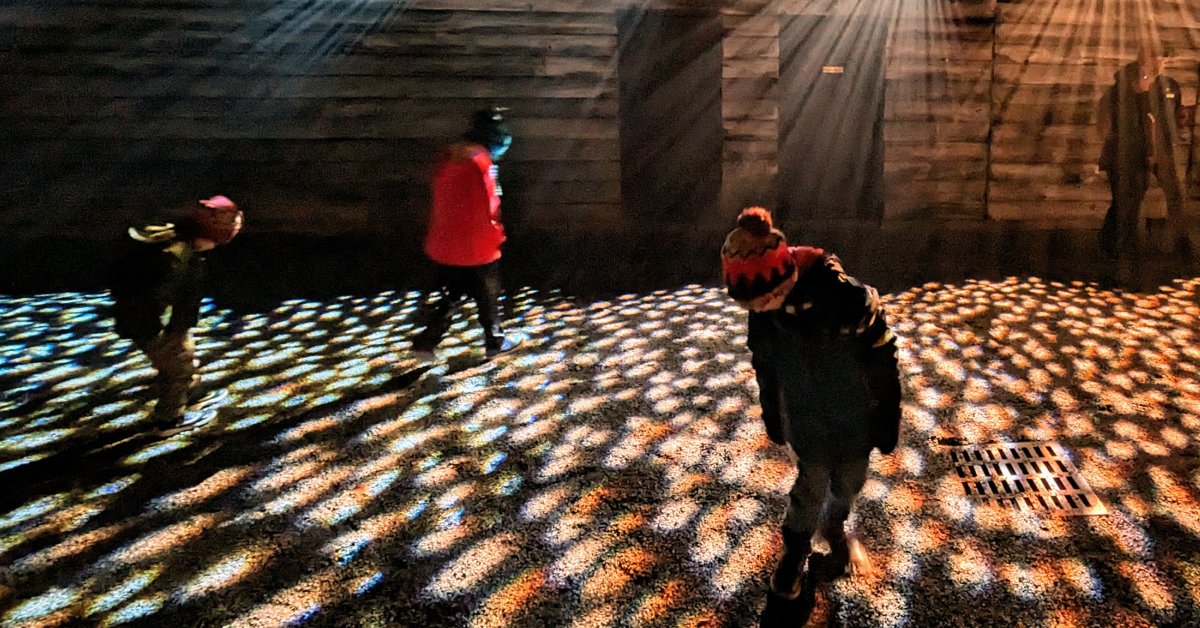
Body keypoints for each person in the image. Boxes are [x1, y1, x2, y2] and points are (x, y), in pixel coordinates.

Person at [720, 207, 901, 606]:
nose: (759, 311)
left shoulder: (846, 299)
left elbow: (882, 356)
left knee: (850, 480)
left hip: (854, 414)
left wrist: (888, 414)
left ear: (784, 280)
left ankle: (834, 523)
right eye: (752, 306)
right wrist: (772, 411)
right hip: (804, 414)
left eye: (765, 302)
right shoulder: (763, 313)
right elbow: (765, 365)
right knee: (810, 483)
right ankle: (796, 548)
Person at [109, 195, 243, 435]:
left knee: (185, 356)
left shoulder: (184, 246)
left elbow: (182, 293)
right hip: (152, 324)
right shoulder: (174, 257)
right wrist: (161, 332)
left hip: (169, 322)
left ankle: (192, 393)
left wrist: (180, 325)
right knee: (176, 368)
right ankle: (167, 420)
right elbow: (149, 298)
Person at [411, 107, 523, 360]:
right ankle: (495, 341)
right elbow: (489, 205)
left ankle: (425, 344)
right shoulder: (481, 163)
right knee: (487, 295)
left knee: (451, 295)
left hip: (445, 244)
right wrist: (496, 234)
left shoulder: (447, 158)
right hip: (477, 247)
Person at [1098, 42, 1193, 259]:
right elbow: (1110, 121)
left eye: (1164, 59)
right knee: (1127, 198)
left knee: (1176, 194)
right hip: (1131, 151)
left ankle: (1180, 242)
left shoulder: (1170, 86)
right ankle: (1115, 244)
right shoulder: (1123, 87)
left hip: (1162, 150)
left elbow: (1174, 115)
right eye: (1156, 58)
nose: (1161, 64)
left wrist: (1180, 121)